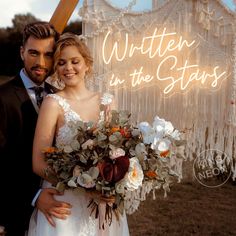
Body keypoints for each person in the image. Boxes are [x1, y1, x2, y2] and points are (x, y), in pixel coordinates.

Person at [28, 32, 130, 236]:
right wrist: (83, 184)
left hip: (102, 201)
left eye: (75, 61)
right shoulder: (53, 103)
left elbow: (118, 154)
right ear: (56, 68)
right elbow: (38, 164)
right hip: (65, 202)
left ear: (87, 65)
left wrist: (111, 185)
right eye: (61, 62)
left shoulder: (107, 102)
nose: (68, 68)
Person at [0, 22, 72, 236]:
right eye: (33, 53)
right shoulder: (2, 97)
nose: (41, 62)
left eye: (48, 55)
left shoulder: (60, 97)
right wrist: (33, 196)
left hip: (57, 216)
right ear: (22, 52)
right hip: (16, 216)